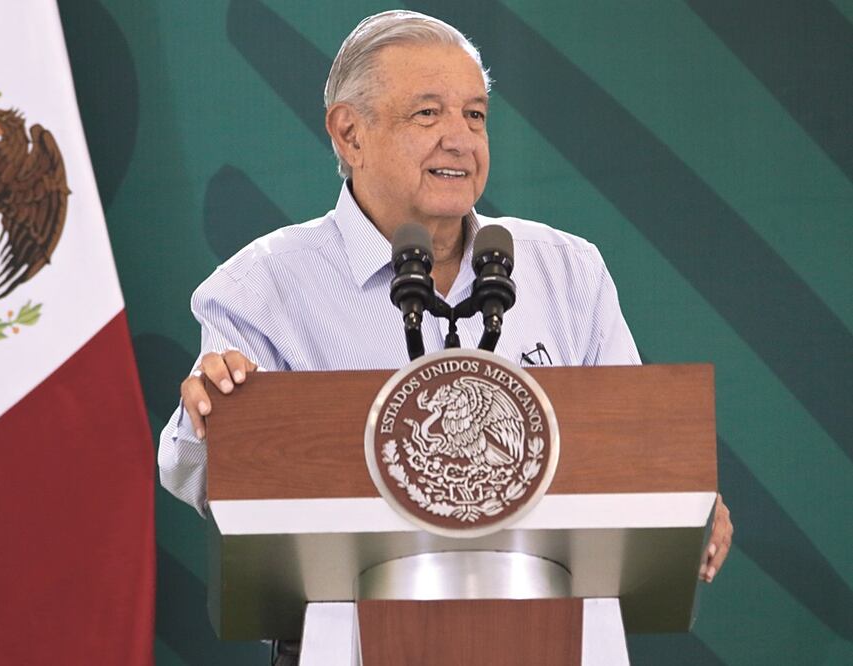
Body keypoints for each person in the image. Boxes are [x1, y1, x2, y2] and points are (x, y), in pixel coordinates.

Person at [158, 10, 731, 585]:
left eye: (475, 115)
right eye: (427, 113)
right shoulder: (262, 287)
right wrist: (211, 414)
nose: (459, 140)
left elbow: (637, 454)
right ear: (349, 133)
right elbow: (200, 480)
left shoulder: (566, 269)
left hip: (555, 629)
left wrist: (685, 499)